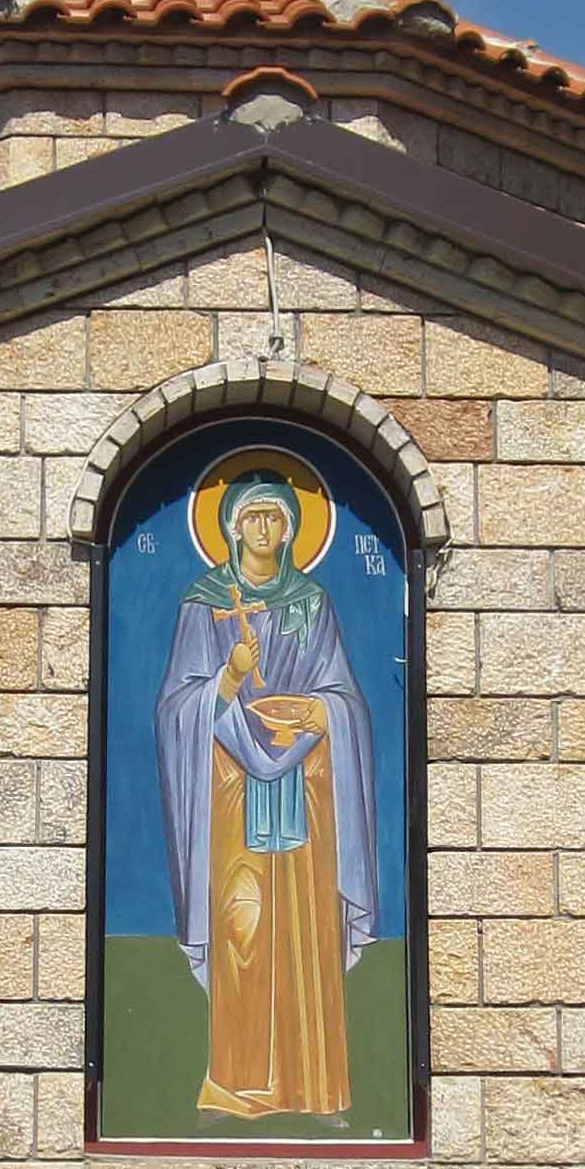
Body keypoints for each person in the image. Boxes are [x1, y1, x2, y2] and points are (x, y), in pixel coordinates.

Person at [152, 465, 377, 1121]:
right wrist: (227, 676)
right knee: (242, 927)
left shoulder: (314, 603)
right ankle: (236, 1084)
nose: (263, 527)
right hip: (230, 787)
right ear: (229, 527)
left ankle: (314, 1089)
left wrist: (323, 716)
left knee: (305, 932)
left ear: (290, 529)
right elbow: (175, 706)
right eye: (252, 516)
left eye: (276, 517)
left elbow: (346, 697)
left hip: (305, 788)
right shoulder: (204, 603)